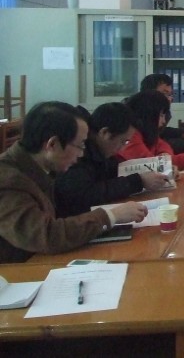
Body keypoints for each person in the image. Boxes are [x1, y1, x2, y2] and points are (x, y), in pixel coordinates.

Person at [0, 102, 147, 263]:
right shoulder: (8, 180)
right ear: (52, 144)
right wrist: (111, 216)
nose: (82, 153)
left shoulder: (38, 166)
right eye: (80, 145)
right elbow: (46, 236)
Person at [54, 102, 171, 218]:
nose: (123, 148)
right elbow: (84, 195)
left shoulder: (99, 151)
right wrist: (138, 181)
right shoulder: (78, 155)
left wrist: (164, 169)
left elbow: (114, 173)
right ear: (105, 133)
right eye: (123, 141)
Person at [118, 90, 184, 170]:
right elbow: (152, 166)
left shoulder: (147, 132)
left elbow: (163, 145)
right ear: (148, 115)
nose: (164, 121)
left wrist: (164, 155)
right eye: (161, 115)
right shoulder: (131, 136)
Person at [140, 73, 184, 153]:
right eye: (164, 94)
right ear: (148, 93)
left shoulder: (161, 111)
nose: (169, 99)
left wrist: (181, 133)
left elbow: (159, 133)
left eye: (170, 94)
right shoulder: (139, 113)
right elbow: (153, 144)